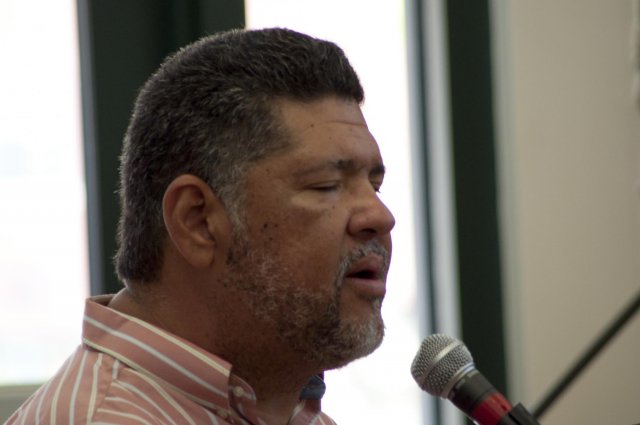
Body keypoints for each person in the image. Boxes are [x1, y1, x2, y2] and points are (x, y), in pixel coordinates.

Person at [7, 27, 395, 425]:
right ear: (197, 222)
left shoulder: (285, 410)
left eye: (375, 185)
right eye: (326, 186)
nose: (381, 216)